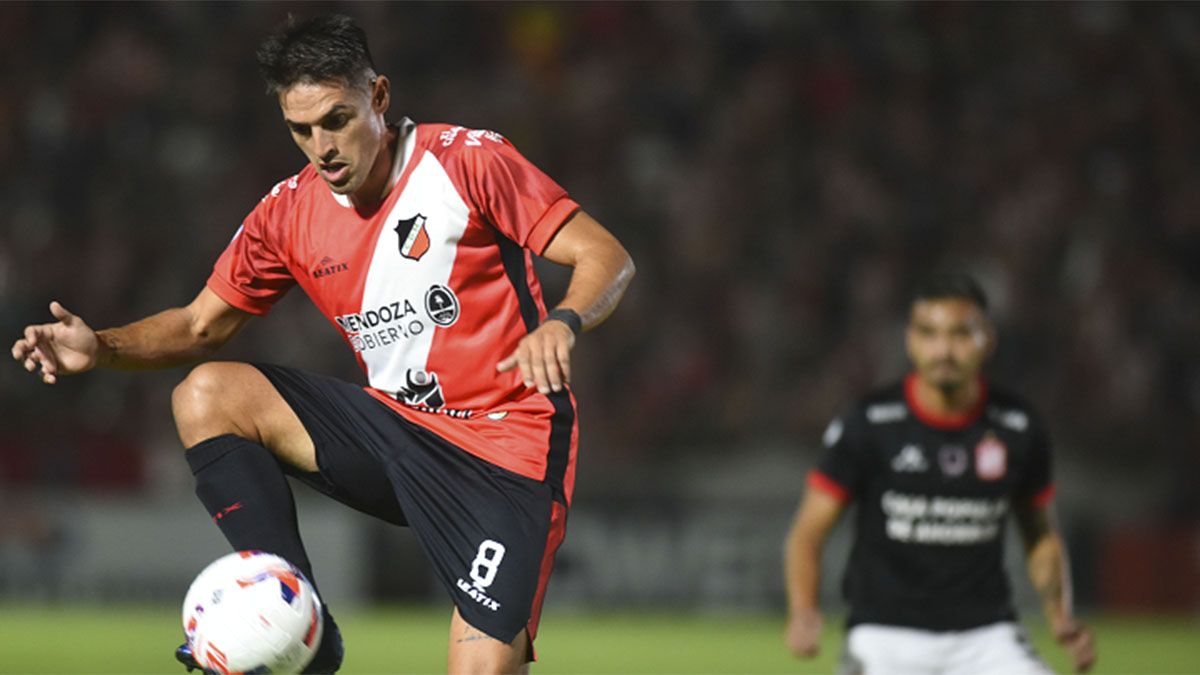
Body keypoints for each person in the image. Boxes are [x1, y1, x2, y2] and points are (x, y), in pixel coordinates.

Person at [11, 13, 634, 675]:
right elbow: (199, 326)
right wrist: (101, 347)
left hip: (506, 450)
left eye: (336, 119)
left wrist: (563, 321)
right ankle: (299, 625)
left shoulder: (467, 161)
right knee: (207, 394)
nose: (322, 147)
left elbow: (606, 256)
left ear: (379, 97)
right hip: (397, 433)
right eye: (301, 129)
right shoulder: (287, 213)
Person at [783, 273, 1095, 675]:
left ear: (988, 339)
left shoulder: (1018, 425)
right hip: (884, 635)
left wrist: (1059, 614)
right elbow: (809, 530)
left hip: (986, 637)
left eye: (961, 334)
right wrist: (803, 610)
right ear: (910, 341)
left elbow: (1039, 532)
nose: (944, 350)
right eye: (929, 334)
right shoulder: (870, 422)